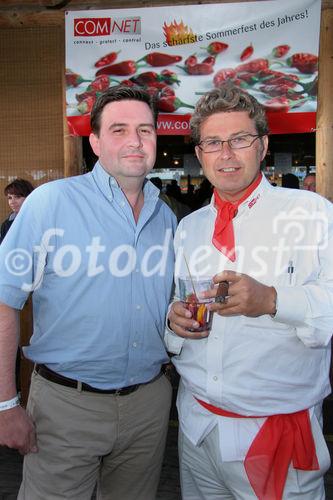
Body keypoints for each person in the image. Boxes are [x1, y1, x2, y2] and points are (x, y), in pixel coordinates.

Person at [0, 86, 176, 500]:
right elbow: (4, 302)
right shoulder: (51, 203)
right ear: (94, 141)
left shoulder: (166, 218)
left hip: (148, 406)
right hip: (66, 407)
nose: (135, 140)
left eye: (145, 130)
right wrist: (6, 404)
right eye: (119, 129)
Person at [165, 82, 333, 500]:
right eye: (213, 142)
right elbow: (179, 300)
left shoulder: (311, 214)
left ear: (262, 145)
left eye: (239, 139)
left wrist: (273, 300)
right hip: (197, 428)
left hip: (273, 435)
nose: (226, 153)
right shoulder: (189, 228)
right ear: (199, 153)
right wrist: (174, 318)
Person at [0, 178, 34, 244]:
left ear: (29, 197)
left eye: (17, 197)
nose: (12, 202)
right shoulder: (6, 224)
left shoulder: (39, 220)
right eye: (10, 198)